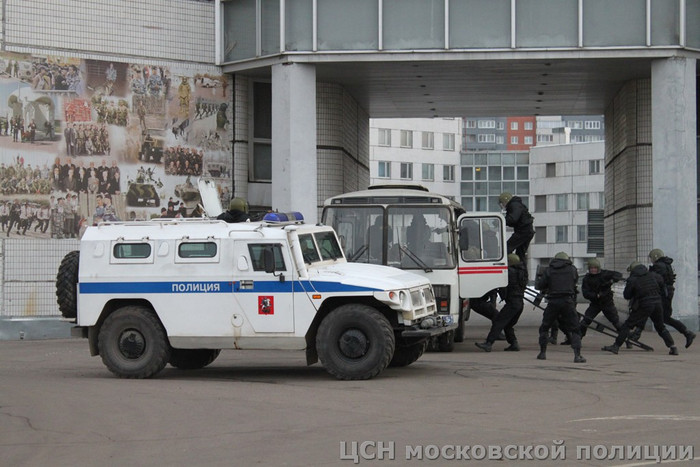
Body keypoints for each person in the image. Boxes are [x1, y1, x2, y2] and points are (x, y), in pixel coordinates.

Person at [602, 262, 679, 355]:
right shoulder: (653, 275)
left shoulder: (632, 279)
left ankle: (616, 346)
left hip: (645, 304)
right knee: (660, 326)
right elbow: (662, 284)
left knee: (628, 325)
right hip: (657, 303)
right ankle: (673, 347)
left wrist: (632, 288)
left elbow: (627, 295)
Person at [535, 252, 586, 363]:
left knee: (545, 327)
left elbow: (540, 285)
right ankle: (577, 355)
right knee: (575, 328)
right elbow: (574, 281)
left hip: (553, 301)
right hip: (567, 301)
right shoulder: (572, 269)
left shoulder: (549, 270)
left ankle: (542, 353)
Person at [475, 254, 528, 352]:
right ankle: (514, 343)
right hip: (519, 304)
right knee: (507, 324)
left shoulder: (509, 272)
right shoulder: (522, 272)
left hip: (512, 304)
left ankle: (488, 343)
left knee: (499, 322)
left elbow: (501, 285)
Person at [646, 249, 695, 348]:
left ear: (655, 257)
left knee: (657, 315)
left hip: (663, 294)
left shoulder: (659, 266)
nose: (650, 260)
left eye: (651, 258)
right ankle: (686, 333)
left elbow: (654, 279)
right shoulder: (665, 264)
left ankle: (685, 334)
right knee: (665, 317)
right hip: (667, 292)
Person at [576, 258, 623, 342]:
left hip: (607, 303)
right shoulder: (587, 278)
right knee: (586, 320)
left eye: (595, 268)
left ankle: (625, 338)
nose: (593, 270)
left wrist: (612, 280)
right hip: (595, 304)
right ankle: (578, 338)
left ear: (598, 268)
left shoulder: (605, 274)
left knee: (616, 321)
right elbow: (586, 293)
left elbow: (618, 275)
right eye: (591, 268)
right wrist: (595, 296)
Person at [499, 192, 534, 264]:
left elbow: (513, 219)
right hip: (526, 232)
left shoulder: (514, 205)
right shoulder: (516, 205)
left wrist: (502, 220)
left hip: (523, 232)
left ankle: (509, 266)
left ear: (506, 201)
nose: (502, 206)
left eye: (502, 203)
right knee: (520, 254)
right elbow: (515, 220)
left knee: (506, 249)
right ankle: (521, 269)